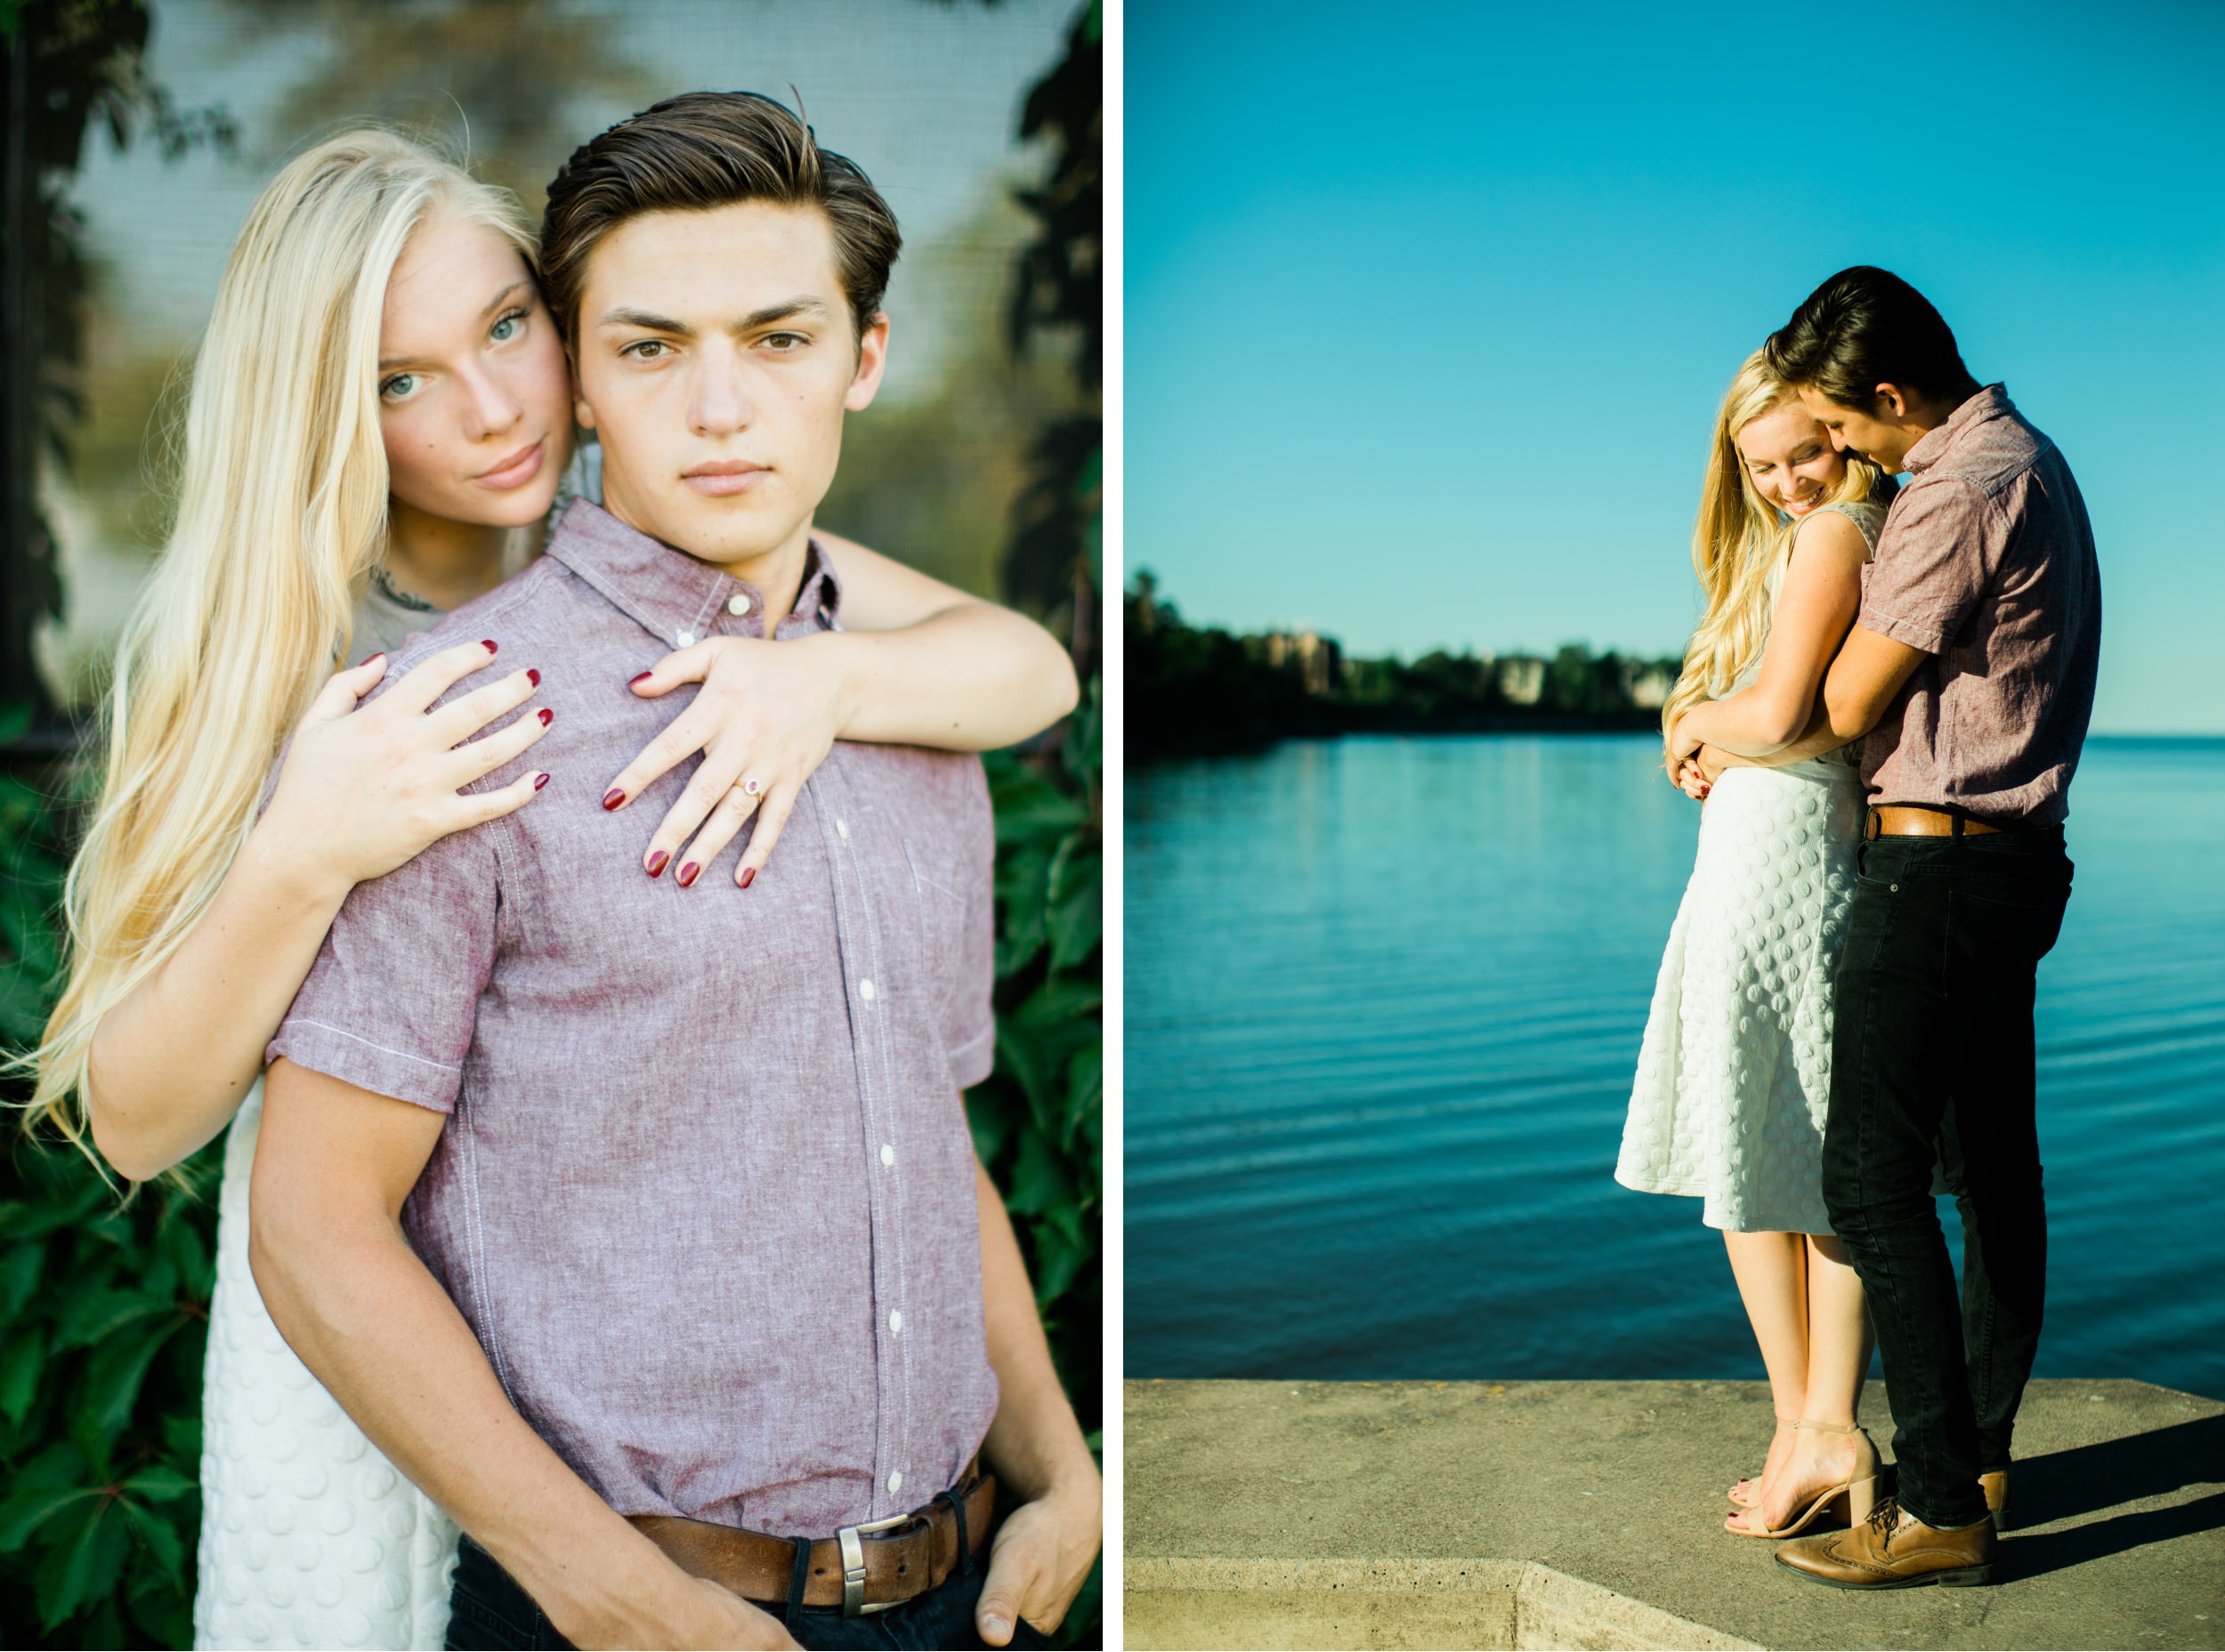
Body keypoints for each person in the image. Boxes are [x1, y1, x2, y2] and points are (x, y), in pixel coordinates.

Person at [19, 128, 1079, 1650]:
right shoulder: (361, 693)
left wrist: (831, 683)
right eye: (401, 380)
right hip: (474, 1436)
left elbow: (1026, 668)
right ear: (333, 417)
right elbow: (153, 1130)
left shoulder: (756, 543)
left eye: (508, 330)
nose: (494, 405)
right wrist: (302, 847)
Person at [1676, 266, 2100, 1589]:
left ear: (1889, 396)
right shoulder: (2031, 462)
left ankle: (1935, 1501)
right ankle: (1974, 1453)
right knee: (1991, 1173)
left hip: (1937, 868)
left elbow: (1841, 703)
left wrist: (1699, 722)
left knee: (1871, 1176)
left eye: (1844, 432)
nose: (1845, 462)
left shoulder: (1956, 490)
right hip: (2010, 858)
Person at [1619, 350, 1895, 1539]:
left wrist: (1692, 721)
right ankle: (1804, 1427)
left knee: (1784, 1157)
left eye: (1806, 453)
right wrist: (1711, 734)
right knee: (1769, 1153)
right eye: (1761, 461)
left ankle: (1821, 1425)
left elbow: (1784, 717)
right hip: (1758, 858)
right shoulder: (1783, 546)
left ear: (1845, 437)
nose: (1787, 480)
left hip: (1782, 859)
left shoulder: (1840, 529)